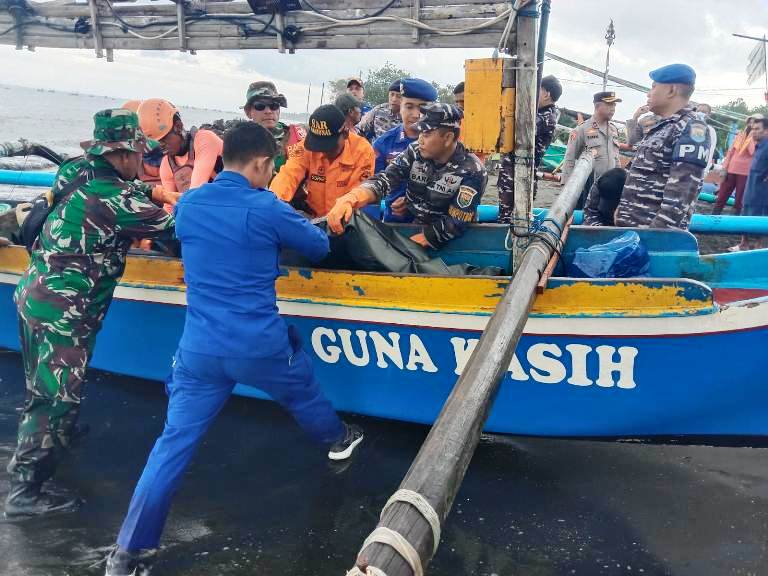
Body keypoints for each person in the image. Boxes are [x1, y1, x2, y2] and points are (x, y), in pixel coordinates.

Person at [104, 122, 362, 575]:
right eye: (271, 167)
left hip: (199, 350)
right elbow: (318, 246)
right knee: (302, 392)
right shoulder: (267, 207)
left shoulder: (191, 205)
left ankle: (129, 551)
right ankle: (339, 440)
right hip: (260, 345)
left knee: (172, 444)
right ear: (263, 163)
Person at [4, 109, 175, 518]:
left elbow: (113, 189)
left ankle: (55, 437)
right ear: (123, 154)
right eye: (140, 154)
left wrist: (152, 191)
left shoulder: (75, 172)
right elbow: (178, 225)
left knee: (41, 386)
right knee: (54, 400)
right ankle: (25, 492)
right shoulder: (116, 199)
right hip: (65, 312)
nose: (145, 162)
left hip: (35, 295)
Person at [326, 103, 487, 249]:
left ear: (448, 138)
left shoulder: (472, 170)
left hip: (456, 239)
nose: (420, 139)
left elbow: (457, 220)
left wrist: (427, 238)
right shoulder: (415, 151)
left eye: (427, 134)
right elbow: (387, 178)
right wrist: (351, 198)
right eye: (420, 132)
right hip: (416, 225)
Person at [615, 64, 712, 230]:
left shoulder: (690, 127)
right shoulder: (663, 125)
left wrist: (657, 237)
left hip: (651, 236)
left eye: (653, 87)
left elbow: (681, 195)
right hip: (634, 229)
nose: (648, 93)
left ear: (671, 90)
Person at [271, 104, 375, 217]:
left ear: (345, 133)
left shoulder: (363, 151)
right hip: (314, 220)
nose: (323, 151)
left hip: (348, 220)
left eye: (329, 146)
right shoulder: (304, 148)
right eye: (318, 146)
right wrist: (272, 203)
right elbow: (288, 176)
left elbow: (360, 192)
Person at [137, 98, 223, 211]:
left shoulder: (204, 139)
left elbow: (196, 191)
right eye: (155, 142)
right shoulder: (166, 165)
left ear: (178, 126)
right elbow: (169, 205)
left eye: (163, 139)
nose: (160, 146)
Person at [372, 78, 438, 222]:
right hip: (395, 225)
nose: (415, 114)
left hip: (435, 227)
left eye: (422, 108)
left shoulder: (443, 142)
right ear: (400, 108)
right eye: (409, 106)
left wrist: (412, 201)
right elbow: (374, 187)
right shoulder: (383, 144)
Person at [498, 74, 561, 223]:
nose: (532, 94)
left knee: (513, 219)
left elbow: (521, 132)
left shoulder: (546, 117)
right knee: (507, 215)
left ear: (546, 94)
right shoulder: (540, 114)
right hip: (514, 173)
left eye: (537, 89)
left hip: (520, 174)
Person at [561, 91, 622, 206]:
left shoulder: (613, 130)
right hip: (588, 188)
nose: (613, 108)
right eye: (610, 104)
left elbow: (616, 158)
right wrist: (567, 190)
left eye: (614, 105)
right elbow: (570, 159)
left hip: (609, 190)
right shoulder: (582, 129)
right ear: (597, 106)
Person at [244, 81, 306, 172]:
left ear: (279, 110)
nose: (268, 111)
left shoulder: (298, 138)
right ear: (248, 112)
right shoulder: (239, 142)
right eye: (260, 106)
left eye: (274, 105)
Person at [730, 117, 768, 251]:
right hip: (751, 187)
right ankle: (743, 244)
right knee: (745, 213)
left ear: (767, 131)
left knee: (762, 217)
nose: (753, 132)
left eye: (757, 129)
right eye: (752, 129)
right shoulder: (759, 145)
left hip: (763, 192)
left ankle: (758, 247)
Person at [713, 113, 763, 215]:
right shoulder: (740, 134)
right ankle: (713, 217)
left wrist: (751, 138)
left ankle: (735, 222)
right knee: (721, 196)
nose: (751, 124)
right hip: (731, 170)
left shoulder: (760, 138)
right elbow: (731, 152)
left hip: (745, 173)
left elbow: (753, 151)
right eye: (750, 121)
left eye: (755, 122)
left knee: (739, 200)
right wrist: (724, 168)